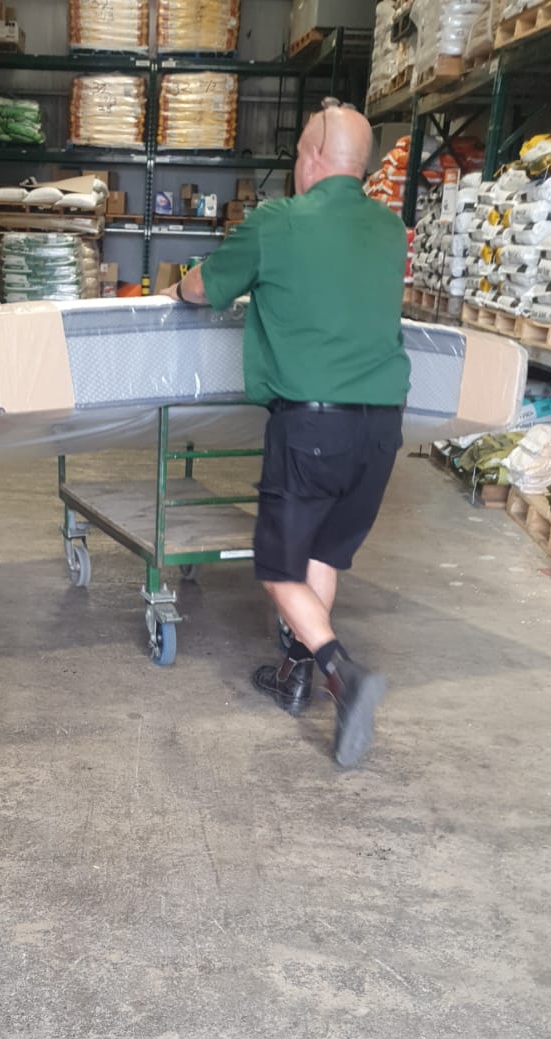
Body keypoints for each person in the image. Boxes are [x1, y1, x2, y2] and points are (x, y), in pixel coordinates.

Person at [164, 103, 410, 768]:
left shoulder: (277, 222)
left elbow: (204, 288)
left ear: (310, 157)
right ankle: (294, 676)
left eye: (300, 152)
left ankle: (340, 671)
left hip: (312, 426)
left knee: (277, 568)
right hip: (381, 429)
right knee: (322, 554)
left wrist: (181, 287)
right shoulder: (390, 230)